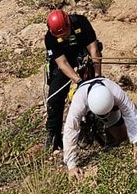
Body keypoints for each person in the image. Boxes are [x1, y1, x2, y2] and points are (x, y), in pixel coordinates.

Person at [62, 78, 137, 178]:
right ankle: (88, 131)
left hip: (111, 109)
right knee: (81, 129)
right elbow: (70, 129)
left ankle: (107, 130)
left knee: (122, 137)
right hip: (86, 108)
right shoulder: (78, 102)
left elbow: (130, 113)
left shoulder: (116, 93)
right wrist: (71, 166)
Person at [44, 8, 102, 152]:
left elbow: (94, 50)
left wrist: (97, 76)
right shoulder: (50, 38)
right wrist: (78, 81)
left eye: (65, 34)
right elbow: (62, 63)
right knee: (55, 98)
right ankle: (54, 135)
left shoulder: (81, 23)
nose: (63, 38)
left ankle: (93, 123)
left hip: (82, 54)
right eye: (60, 36)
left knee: (93, 88)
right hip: (63, 60)